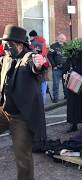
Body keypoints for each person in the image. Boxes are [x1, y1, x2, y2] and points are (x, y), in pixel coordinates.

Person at [0, 25, 46, 180]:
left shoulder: (27, 57)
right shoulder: (7, 57)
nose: (4, 47)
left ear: (19, 45)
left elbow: (34, 66)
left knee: (23, 159)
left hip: (21, 117)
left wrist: (39, 64)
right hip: (3, 111)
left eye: (7, 44)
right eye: (3, 43)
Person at [47, 33, 68, 102]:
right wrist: (54, 65)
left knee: (66, 83)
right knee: (56, 84)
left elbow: (70, 56)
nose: (62, 39)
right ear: (57, 38)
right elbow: (49, 56)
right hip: (57, 68)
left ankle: (66, 95)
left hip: (65, 68)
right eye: (60, 38)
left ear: (65, 39)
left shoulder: (67, 46)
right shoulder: (53, 46)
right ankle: (56, 98)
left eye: (63, 38)